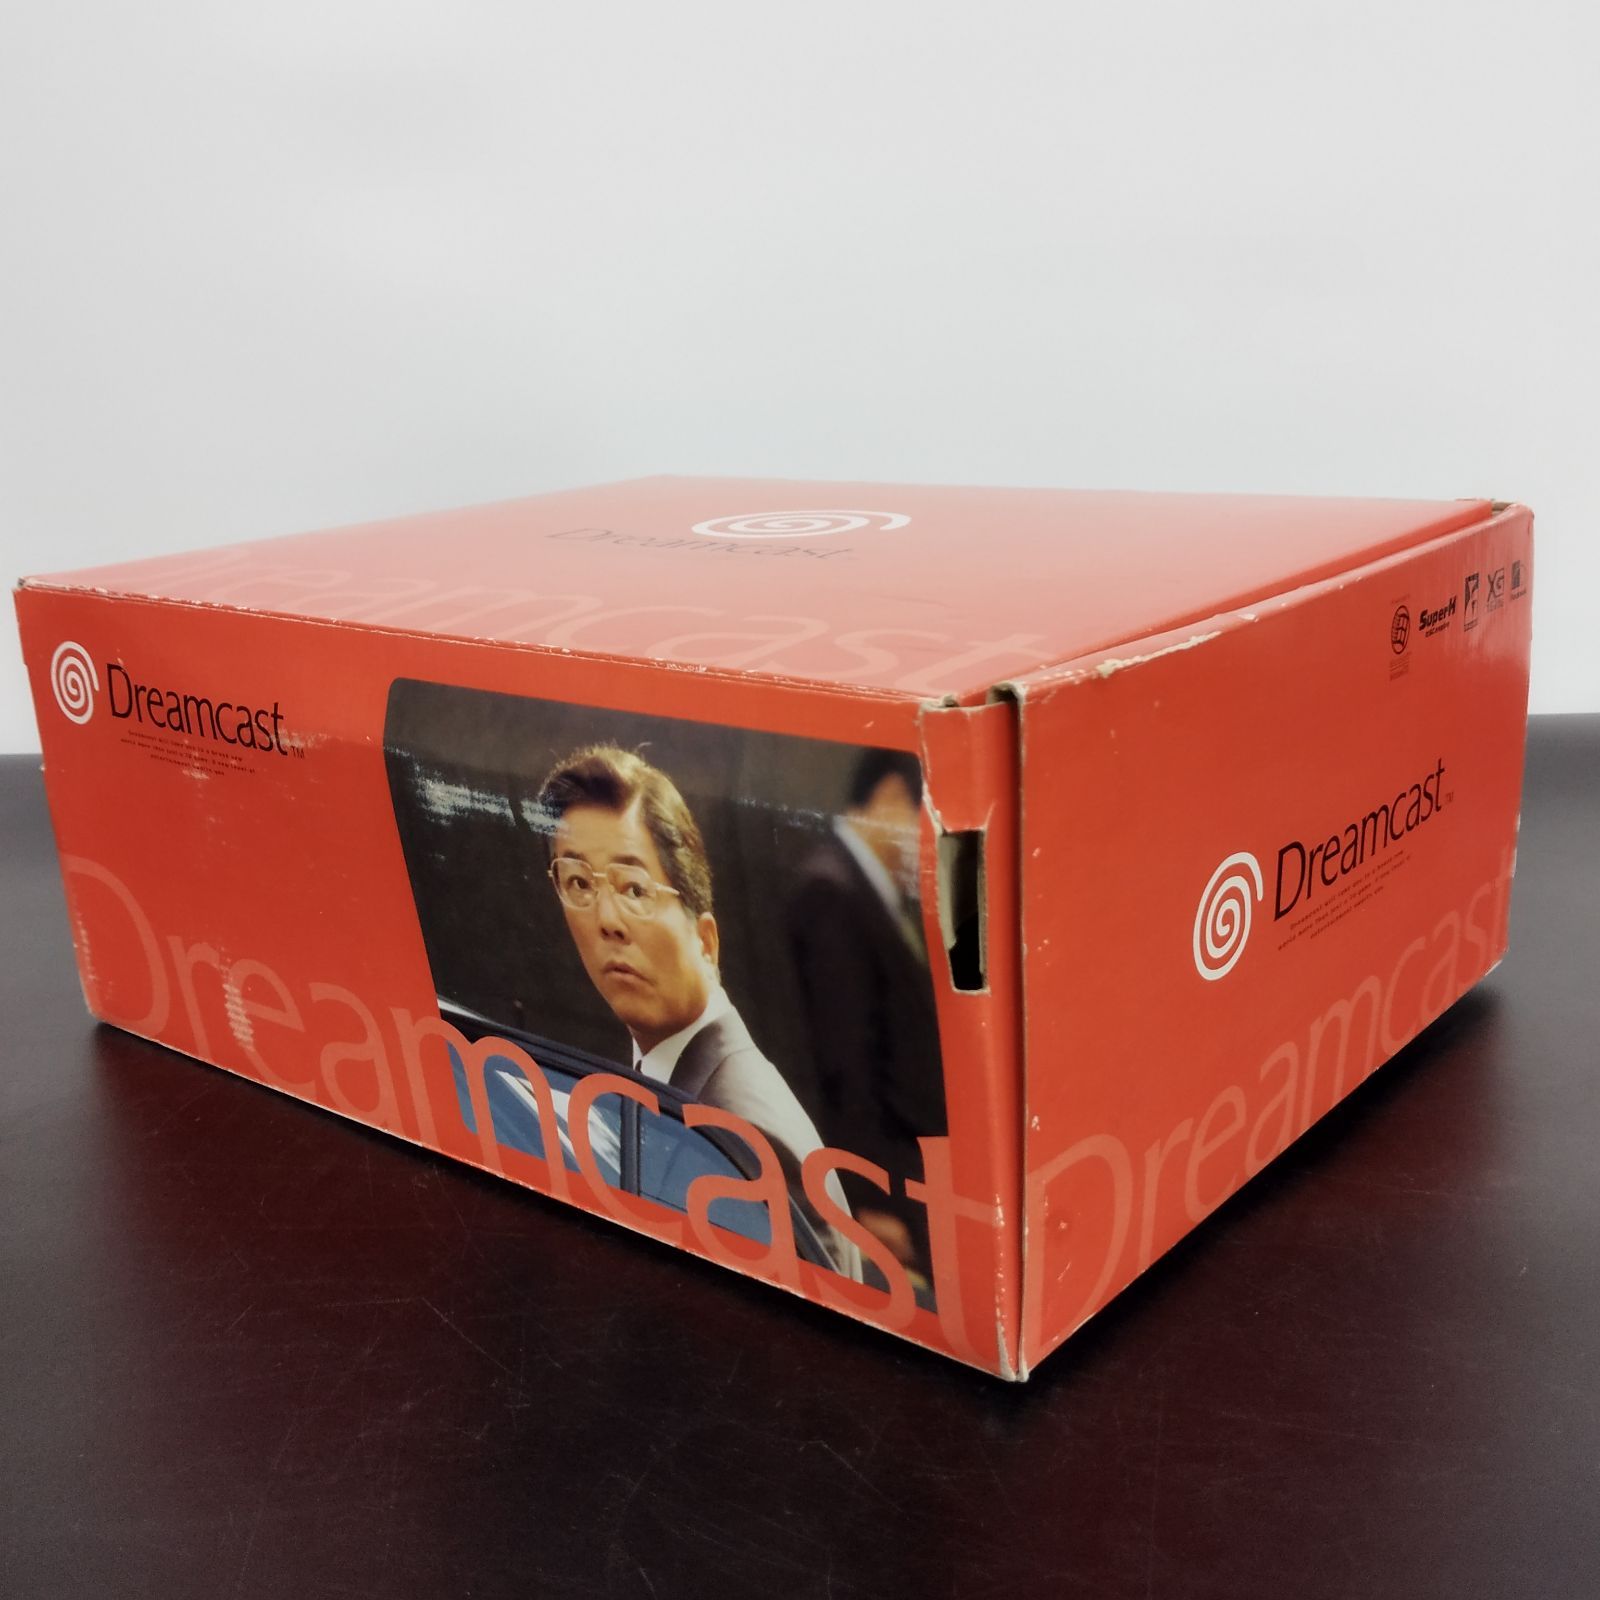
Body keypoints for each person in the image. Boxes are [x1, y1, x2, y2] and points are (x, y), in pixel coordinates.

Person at [535, 744, 859, 1279]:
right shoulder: (667, 1078)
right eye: (579, 884)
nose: (605, 920)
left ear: (706, 942)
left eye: (634, 888)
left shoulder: (743, 1131)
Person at [784, 749, 947, 1287]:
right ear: (890, 797)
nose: (928, 845)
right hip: (886, 1189)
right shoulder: (831, 891)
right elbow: (841, 1062)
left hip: (910, 1175)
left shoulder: (864, 890)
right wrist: (867, 1198)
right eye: (926, 822)